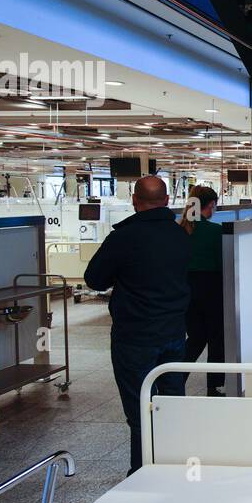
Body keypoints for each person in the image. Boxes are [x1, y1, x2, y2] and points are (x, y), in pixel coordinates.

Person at [84, 175, 190, 473]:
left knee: (141, 410)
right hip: (173, 334)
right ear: (167, 200)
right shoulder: (180, 236)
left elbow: (95, 279)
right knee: (172, 407)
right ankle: (174, 465)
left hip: (135, 337)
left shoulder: (123, 238)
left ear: (134, 200)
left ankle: (142, 473)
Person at [179, 185, 226, 396]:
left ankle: (176, 379)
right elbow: (222, 264)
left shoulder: (180, 229)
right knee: (216, 339)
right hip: (212, 289)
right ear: (211, 205)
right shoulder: (216, 231)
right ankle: (213, 387)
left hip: (186, 290)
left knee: (196, 337)